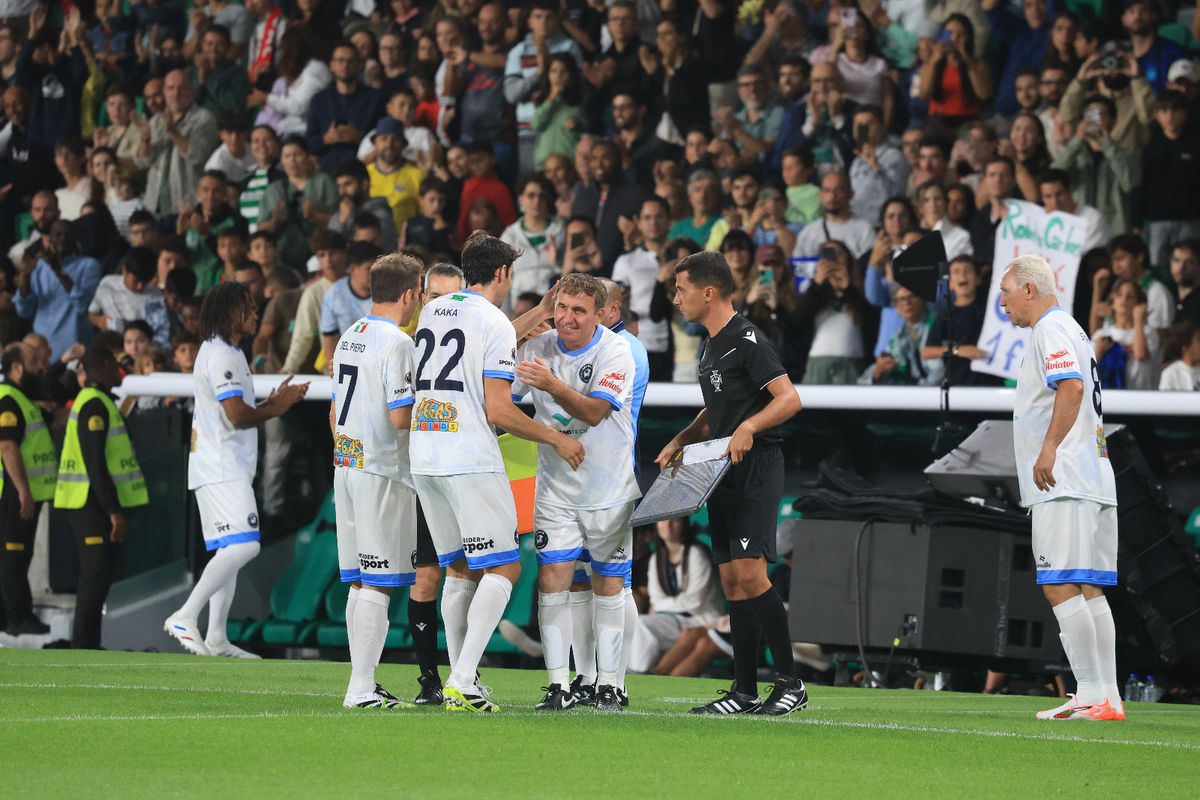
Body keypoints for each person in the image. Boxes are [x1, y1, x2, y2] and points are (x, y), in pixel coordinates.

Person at [408, 231, 584, 713]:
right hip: (468, 457)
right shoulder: (494, 323)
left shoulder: (434, 310)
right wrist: (556, 437)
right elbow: (500, 411)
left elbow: (479, 335)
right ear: (504, 274)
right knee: (504, 564)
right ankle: (464, 680)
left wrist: (538, 313)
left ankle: (462, 677)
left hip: (424, 454)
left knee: (459, 569)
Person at [654, 251, 805, 715]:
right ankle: (743, 692)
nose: (676, 298)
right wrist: (682, 438)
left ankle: (790, 683)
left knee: (750, 574)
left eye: (681, 290)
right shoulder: (710, 344)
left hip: (756, 463)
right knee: (731, 581)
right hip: (719, 468)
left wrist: (748, 428)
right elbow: (715, 410)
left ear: (708, 291)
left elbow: (790, 398)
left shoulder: (746, 337)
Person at [998, 253, 1122, 722]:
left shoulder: (1050, 328)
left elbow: (1070, 387)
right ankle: (1106, 695)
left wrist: (1047, 448)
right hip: (1092, 474)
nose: (1004, 305)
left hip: (1065, 477)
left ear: (1030, 289)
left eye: (1006, 294)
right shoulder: (1072, 328)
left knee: (1060, 585)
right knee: (1089, 587)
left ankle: (1090, 693)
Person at [510, 273, 637, 712]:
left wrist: (552, 386)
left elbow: (597, 412)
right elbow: (485, 353)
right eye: (561, 307)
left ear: (601, 314)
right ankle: (559, 685)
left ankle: (609, 683)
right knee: (553, 581)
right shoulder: (537, 343)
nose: (567, 318)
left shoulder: (617, 350)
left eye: (578, 310)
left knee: (607, 583)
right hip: (556, 490)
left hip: (609, 489)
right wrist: (537, 313)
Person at [164, 282, 309, 658]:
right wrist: (275, 409)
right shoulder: (224, 357)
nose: (256, 314)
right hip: (221, 465)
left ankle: (216, 637)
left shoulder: (225, 352)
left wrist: (270, 403)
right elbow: (237, 415)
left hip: (217, 464)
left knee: (230, 547)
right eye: (249, 308)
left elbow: (235, 410)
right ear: (232, 313)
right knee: (246, 544)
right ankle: (185, 614)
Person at [330, 252, 422, 708]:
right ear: (409, 294)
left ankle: (360, 681)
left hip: (346, 465)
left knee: (360, 580)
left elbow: (334, 412)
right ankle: (361, 688)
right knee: (380, 581)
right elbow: (401, 415)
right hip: (382, 471)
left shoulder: (351, 335)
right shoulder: (398, 342)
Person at [53, 347, 149, 648]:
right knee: (95, 574)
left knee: (99, 574)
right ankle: (83, 645)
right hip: (89, 502)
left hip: (90, 500)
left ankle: (87, 643)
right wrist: (114, 511)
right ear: (104, 365)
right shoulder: (94, 404)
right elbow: (94, 462)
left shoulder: (98, 402)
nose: (119, 371)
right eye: (115, 365)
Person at [0, 344, 55, 635]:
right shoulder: (9, 399)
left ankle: (11, 616)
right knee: (13, 555)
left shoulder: (22, 399)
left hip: (20, 491)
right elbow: (7, 447)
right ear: (17, 368)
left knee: (18, 554)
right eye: (34, 362)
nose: (41, 367)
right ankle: (18, 617)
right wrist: (23, 490)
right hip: (12, 493)